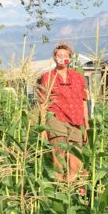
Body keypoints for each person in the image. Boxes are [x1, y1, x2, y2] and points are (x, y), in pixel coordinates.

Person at [36, 41, 89, 182]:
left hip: (76, 120)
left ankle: (72, 189)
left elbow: (84, 100)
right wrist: (43, 127)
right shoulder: (47, 77)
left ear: (70, 58)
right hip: (56, 118)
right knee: (58, 156)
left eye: (65, 55)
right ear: (54, 57)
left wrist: (86, 124)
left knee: (76, 159)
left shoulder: (78, 77)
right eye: (59, 55)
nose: (62, 58)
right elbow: (43, 103)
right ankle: (58, 189)